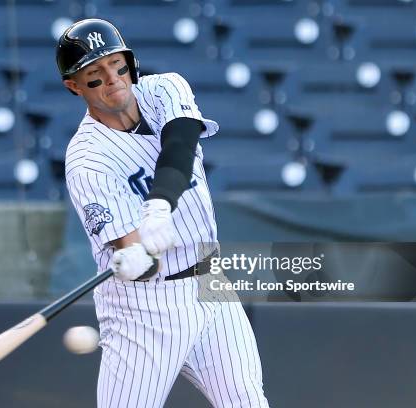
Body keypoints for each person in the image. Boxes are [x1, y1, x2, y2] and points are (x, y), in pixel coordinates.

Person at [56, 18, 270, 408]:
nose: (112, 79)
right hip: (146, 305)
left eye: (116, 65)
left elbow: (181, 141)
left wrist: (159, 207)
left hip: (210, 279)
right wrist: (138, 256)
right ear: (75, 86)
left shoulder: (164, 87)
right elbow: (133, 251)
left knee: (246, 400)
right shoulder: (87, 160)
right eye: (95, 75)